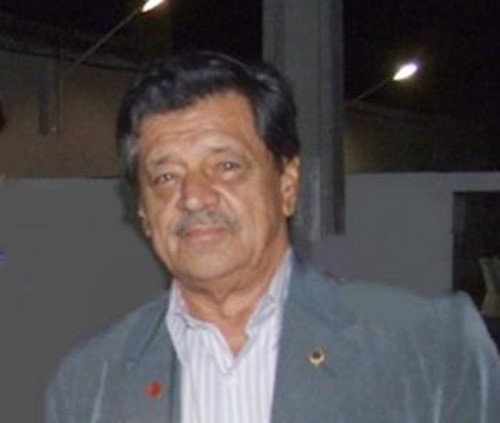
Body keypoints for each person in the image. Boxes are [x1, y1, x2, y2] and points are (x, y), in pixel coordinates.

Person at [45, 51, 500, 422]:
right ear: (144, 212)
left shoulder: (429, 349)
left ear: (287, 184)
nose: (194, 196)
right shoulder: (90, 383)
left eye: (226, 166)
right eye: (166, 177)